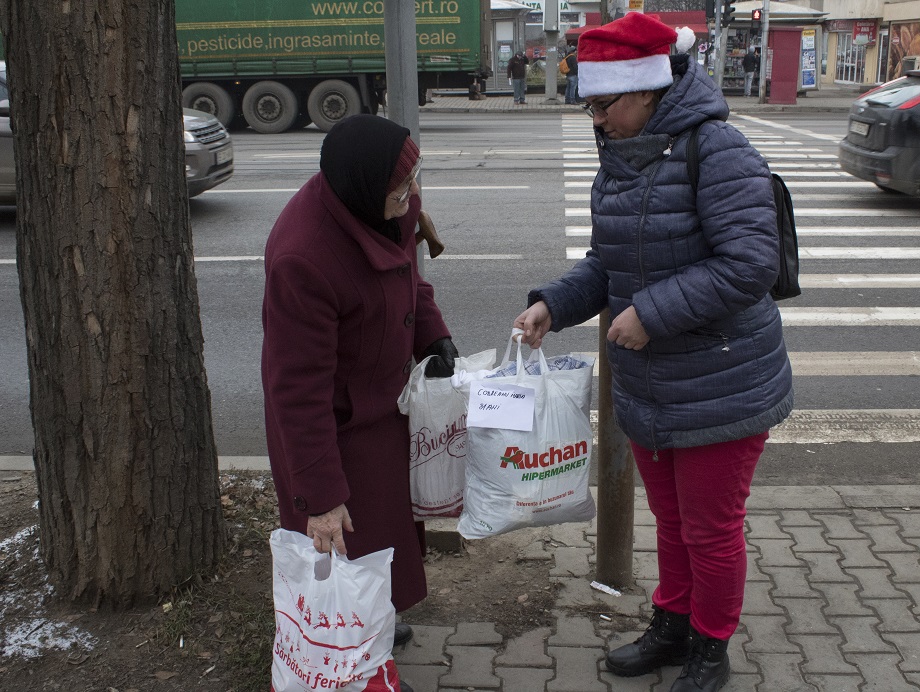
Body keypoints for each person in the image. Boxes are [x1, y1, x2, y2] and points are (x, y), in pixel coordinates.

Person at [512, 13, 792, 692]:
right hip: (651, 381)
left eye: (604, 105)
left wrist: (650, 313)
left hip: (719, 378)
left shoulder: (717, 148)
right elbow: (607, 263)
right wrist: (556, 301)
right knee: (671, 520)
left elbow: (750, 263)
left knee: (710, 529)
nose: (597, 120)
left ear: (646, 89)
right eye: (589, 106)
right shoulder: (620, 155)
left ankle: (710, 645)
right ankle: (672, 622)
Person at [262, 114, 458, 692]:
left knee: (387, 537)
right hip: (333, 432)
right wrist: (319, 496)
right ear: (367, 192)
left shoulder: (378, 204)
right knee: (345, 541)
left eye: (413, 184)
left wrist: (434, 333)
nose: (411, 200)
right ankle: (350, 659)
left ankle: (380, 620)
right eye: (401, 193)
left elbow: (407, 279)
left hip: (381, 413)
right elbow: (295, 390)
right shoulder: (304, 257)